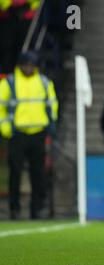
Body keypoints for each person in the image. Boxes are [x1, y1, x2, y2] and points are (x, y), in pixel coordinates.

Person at [0, 52, 58, 219]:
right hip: (17, 133)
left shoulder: (44, 82)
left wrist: (50, 124)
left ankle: (37, 208)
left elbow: (51, 104)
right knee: (15, 172)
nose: (29, 68)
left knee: (38, 172)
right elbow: (1, 107)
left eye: (31, 65)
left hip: (38, 133)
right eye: (26, 65)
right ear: (20, 65)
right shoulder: (9, 83)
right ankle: (14, 208)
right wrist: (6, 128)